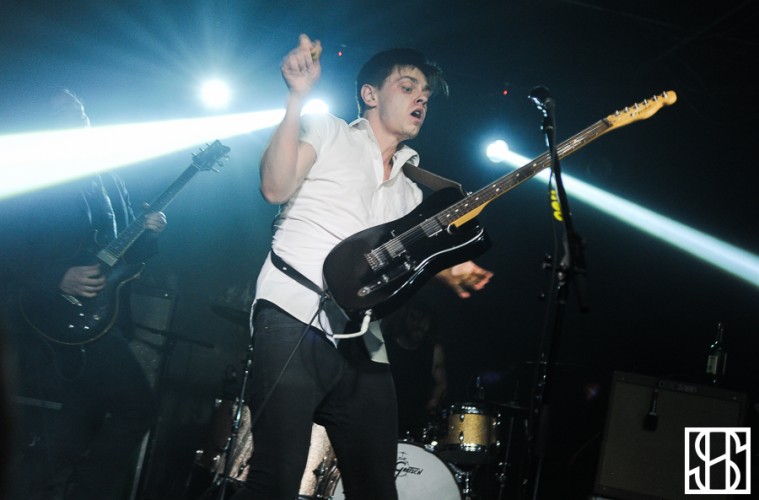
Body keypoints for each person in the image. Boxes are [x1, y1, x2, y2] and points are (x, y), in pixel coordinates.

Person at [230, 34, 493, 500]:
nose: (421, 100)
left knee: (376, 489)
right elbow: (274, 187)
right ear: (370, 94)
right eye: (408, 88)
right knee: (276, 479)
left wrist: (449, 271)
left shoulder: (413, 192)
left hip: (363, 343)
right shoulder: (328, 131)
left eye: (425, 95)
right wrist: (296, 98)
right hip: (293, 314)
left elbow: (405, 267)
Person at [2, 88, 167, 500]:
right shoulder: (33, 174)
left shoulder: (109, 178)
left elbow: (123, 255)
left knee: (71, 431)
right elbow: (9, 248)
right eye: (64, 112)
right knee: (136, 409)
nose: (78, 118)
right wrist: (56, 278)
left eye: (81, 111)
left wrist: (148, 233)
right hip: (50, 313)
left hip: (101, 315)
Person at [382, 298, 447, 443]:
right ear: (404, 318)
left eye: (425, 321)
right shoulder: (386, 345)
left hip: (414, 423)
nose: (420, 325)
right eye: (414, 318)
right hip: (384, 417)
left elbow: (441, 384)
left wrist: (433, 402)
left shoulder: (433, 351)